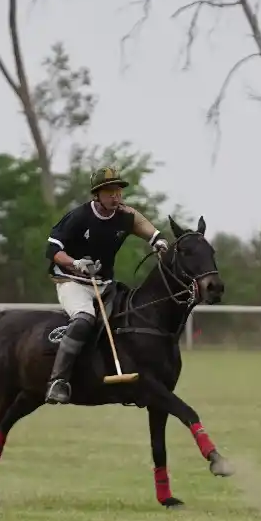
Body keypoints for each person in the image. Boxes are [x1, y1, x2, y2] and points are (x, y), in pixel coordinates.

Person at [43, 166, 169, 404]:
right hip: (73, 281)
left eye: (119, 191)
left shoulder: (124, 215)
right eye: (110, 191)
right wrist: (76, 263)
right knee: (84, 320)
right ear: (96, 194)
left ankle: (131, 382)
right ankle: (58, 381)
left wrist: (157, 240)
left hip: (105, 284)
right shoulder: (79, 217)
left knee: (128, 319)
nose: (116, 196)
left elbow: (141, 224)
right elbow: (52, 251)